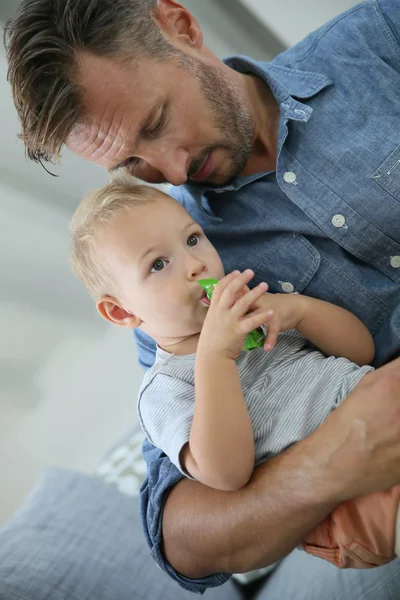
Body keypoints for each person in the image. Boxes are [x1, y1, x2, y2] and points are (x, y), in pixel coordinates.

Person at [4, 0, 400, 596]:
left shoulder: (379, 39)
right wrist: (334, 460)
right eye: (132, 162)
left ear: (181, 26)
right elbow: (182, 537)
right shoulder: (181, 310)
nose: (174, 170)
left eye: (157, 120)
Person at [70, 181, 400, 569]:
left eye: (192, 239)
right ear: (123, 313)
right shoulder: (164, 390)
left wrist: (299, 311)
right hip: (348, 506)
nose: (196, 265)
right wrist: (215, 357)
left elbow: (360, 352)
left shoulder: (252, 312)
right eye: (158, 265)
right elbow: (226, 474)